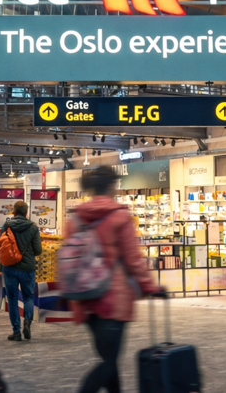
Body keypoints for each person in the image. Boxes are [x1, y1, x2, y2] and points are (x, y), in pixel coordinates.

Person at [69, 167, 161, 393]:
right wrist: (150, 286)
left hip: (85, 297)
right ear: (111, 187)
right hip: (112, 299)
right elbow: (133, 259)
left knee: (109, 359)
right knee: (108, 362)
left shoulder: (75, 218)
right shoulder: (119, 217)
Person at [0, 200, 43, 341]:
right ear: (27, 212)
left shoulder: (7, 225)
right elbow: (38, 250)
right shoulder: (33, 228)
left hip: (10, 267)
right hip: (27, 268)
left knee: (12, 299)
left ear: (14, 212)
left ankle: (16, 332)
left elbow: (0, 245)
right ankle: (28, 322)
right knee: (28, 297)